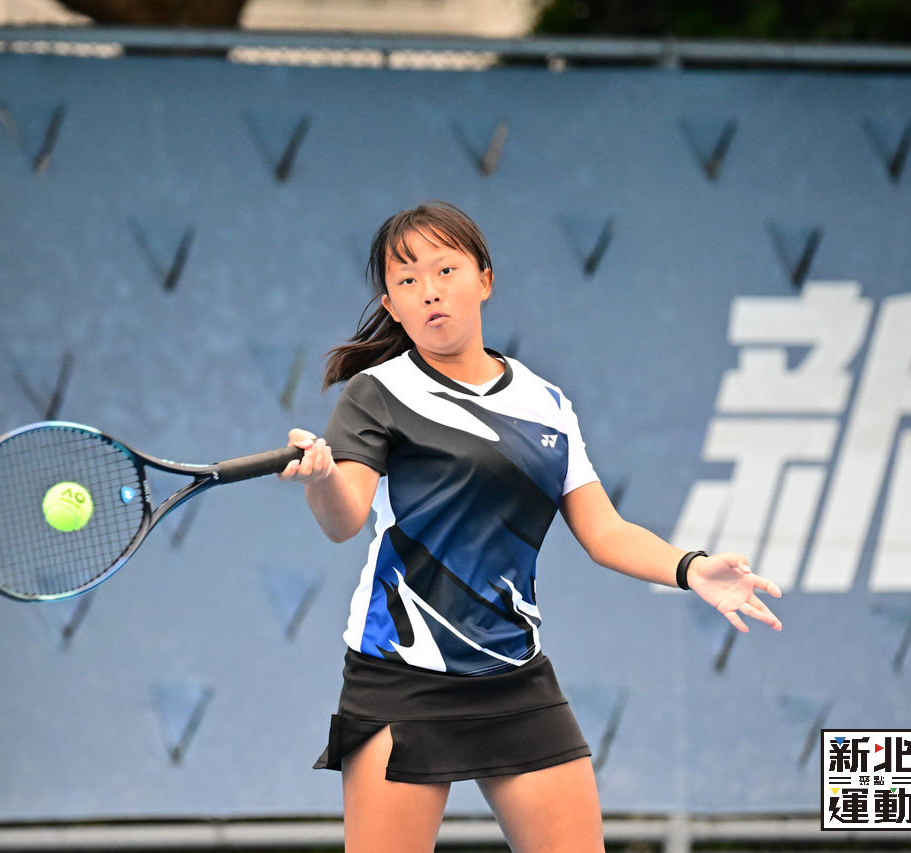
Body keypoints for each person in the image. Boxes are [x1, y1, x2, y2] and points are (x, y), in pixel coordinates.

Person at [277, 201, 783, 853]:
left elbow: (605, 532)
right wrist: (322, 478)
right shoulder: (376, 394)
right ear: (392, 306)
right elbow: (344, 518)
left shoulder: (546, 403)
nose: (429, 290)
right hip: (401, 677)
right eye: (407, 280)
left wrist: (691, 569)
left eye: (445, 269)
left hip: (514, 678)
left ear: (484, 279)